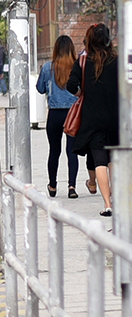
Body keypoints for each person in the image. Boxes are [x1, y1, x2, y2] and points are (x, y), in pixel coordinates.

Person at [67, 24, 119, 217]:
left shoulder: (83, 61)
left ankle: (107, 204)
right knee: (113, 158)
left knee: (100, 161)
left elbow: (71, 84)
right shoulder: (117, 61)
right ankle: (117, 199)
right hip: (115, 116)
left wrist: (82, 92)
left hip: (93, 117)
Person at [36, 35, 80, 199]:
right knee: (72, 151)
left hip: (54, 114)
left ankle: (53, 185)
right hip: (72, 114)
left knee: (54, 150)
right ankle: (72, 187)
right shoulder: (77, 67)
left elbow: (40, 89)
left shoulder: (48, 68)